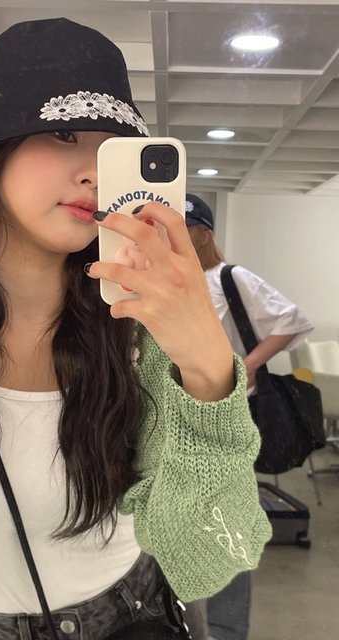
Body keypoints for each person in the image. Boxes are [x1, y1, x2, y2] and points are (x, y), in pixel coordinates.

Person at [0, 20, 271, 640]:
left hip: (135, 618)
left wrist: (209, 373)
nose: (94, 173)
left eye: (114, 147)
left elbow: (208, 559)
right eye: (64, 132)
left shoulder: (137, 321)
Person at [185, 193, 313, 640]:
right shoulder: (164, 282)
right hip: (172, 414)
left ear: (205, 234)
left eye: (185, 229)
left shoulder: (229, 278)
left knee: (228, 523)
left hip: (228, 413)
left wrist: (250, 363)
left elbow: (291, 321)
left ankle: (226, 631)